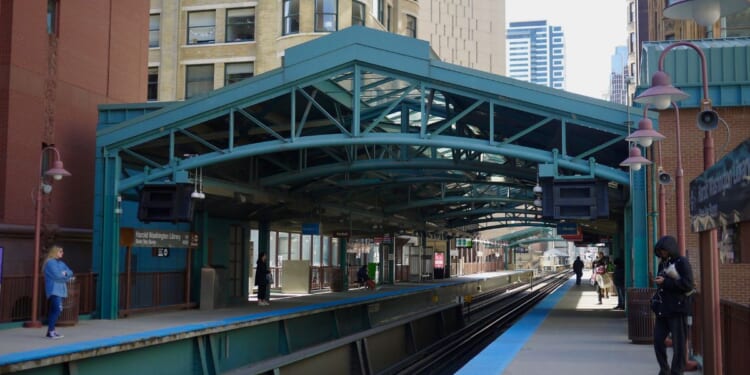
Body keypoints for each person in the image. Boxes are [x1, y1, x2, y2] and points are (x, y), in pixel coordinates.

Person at [651, 235, 695, 375]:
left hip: (677, 309)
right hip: (663, 309)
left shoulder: (682, 263)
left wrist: (666, 282)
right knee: (658, 340)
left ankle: (677, 371)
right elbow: (663, 284)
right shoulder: (662, 264)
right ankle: (664, 369)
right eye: (660, 251)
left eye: (664, 250)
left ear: (670, 249)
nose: (662, 254)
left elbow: (688, 284)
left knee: (679, 345)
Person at [42, 245, 74, 339]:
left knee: (54, 310)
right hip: (54, 290)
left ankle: (51, 331)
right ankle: (51, 331)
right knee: (57, 309)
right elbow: (57, 276)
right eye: (60, 252)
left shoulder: (61, 263)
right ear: (55, 252)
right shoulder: (50, 263)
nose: (62, 253)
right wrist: (65, 276)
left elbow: (70, 271)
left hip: (60, 290)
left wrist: (65, 274)